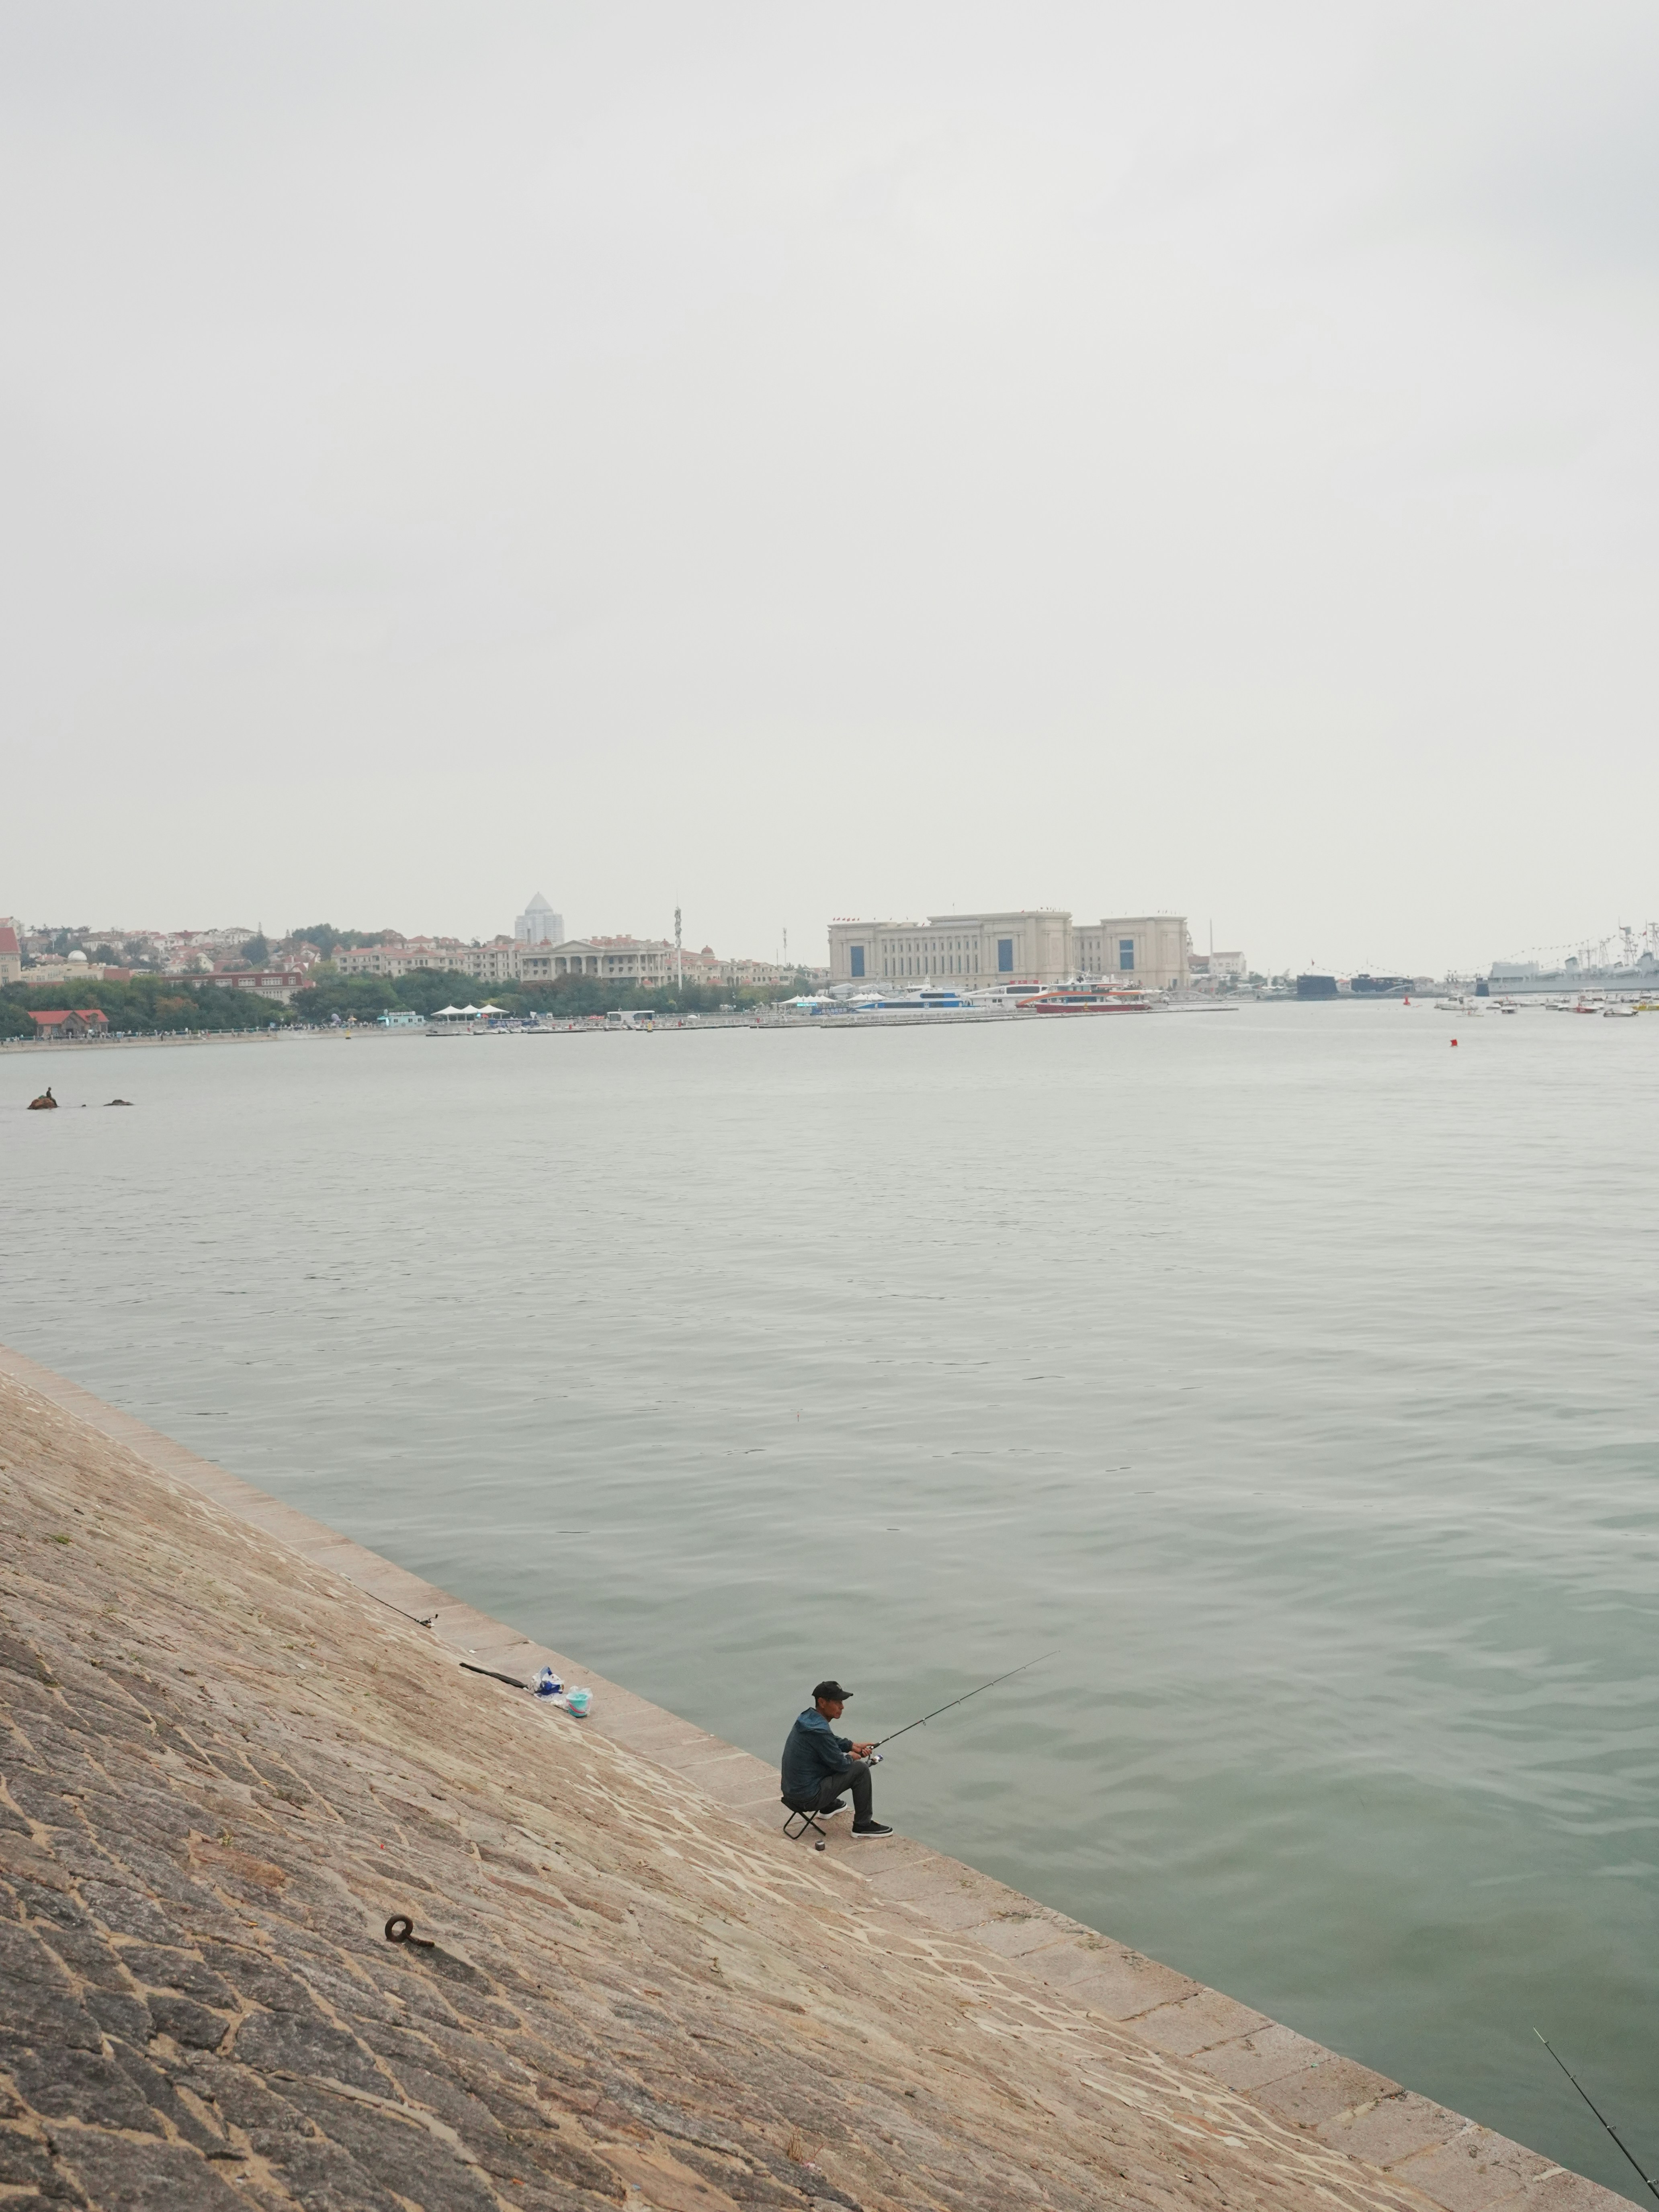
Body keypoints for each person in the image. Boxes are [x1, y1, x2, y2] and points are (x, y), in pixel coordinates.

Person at [780, 1679, 893, 1838]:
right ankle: (863, 1825)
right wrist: (854, 1757)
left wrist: (853, 1746)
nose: (842, 1706)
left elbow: (829, 1742)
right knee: (860, 1769)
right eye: (838, 1702)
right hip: (806, 1799)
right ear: (822, 1702)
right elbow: (841, 1765)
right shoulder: (819, 1730)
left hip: (792, 1793)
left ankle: (828, 1806)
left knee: (825, 1760)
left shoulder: (808, 1720)